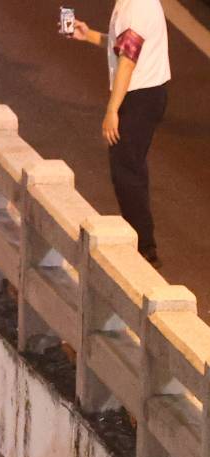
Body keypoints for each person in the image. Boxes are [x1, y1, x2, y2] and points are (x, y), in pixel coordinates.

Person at [66, 0, 170, 265]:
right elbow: (122, 47)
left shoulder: (135, 7)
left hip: (139, 96)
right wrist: (88, 35)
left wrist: (112, 110)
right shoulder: (131, 3)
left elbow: (127, 61)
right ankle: (142, 241)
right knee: (132, 169)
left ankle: (144, 250)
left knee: (126, 173)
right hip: (148, 93)